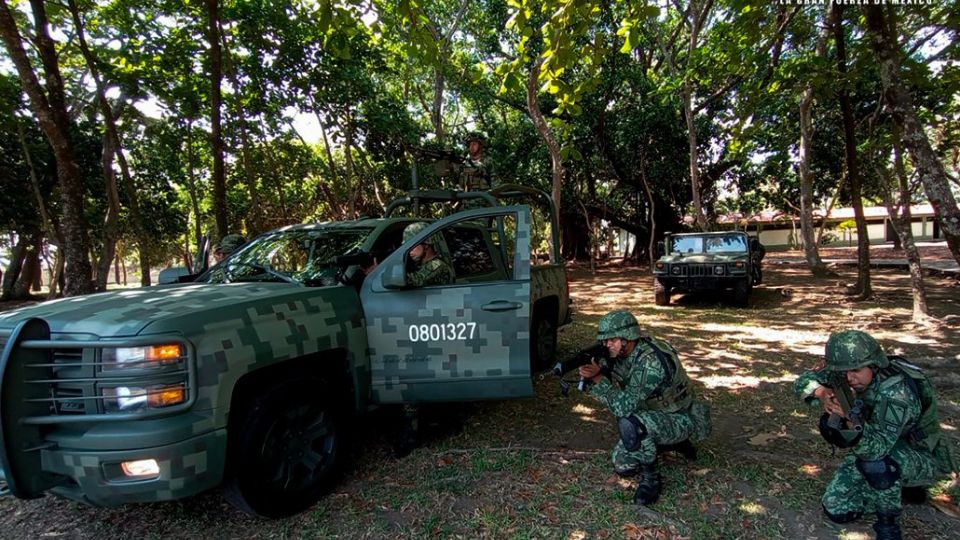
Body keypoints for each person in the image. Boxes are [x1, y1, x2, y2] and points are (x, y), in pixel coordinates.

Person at [794, 330, 956, 540]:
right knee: (837, 509)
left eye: (856, 371)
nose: (849, 378)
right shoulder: (846, 371)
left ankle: (888, 525)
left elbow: (877, 449)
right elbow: (803, 381)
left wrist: (851, 420)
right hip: (881, 443)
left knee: (878, 465)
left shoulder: (896, 394)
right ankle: (905, 490)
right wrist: (822, 393)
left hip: (919, 454)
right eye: (844, 372)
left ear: (873, 364)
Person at [579, 310, 712, 506]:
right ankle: (670, 443)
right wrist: (598, 372)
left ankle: (651, 479)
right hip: (658, 414)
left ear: (628, 338)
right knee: (623, 466)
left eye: (612, 340)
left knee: (630, 423)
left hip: (680, 417)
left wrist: (598, 379)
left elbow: (624, 407)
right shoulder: (624, 354)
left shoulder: (651, 362)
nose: (607, 345)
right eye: (605, 341)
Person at [403, 222, 454, 287]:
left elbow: (417, 281)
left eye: (413, 245)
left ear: (426, 245)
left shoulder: (437, 265)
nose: (409, 250)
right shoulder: (419, 264)